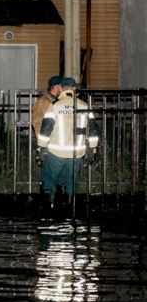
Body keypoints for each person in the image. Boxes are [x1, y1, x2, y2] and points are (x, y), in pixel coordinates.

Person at [36, 77, 100, 207]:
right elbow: (93, 130)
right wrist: (93, 149)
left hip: (56, 153)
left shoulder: (54, 106)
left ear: (61, 89)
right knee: (72, 181)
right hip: (77, 153)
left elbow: (46, 129)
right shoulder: (84, 106)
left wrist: (41, 149)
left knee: (49, 179)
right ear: (75, 89)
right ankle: (71, 208)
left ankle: (49, 208)